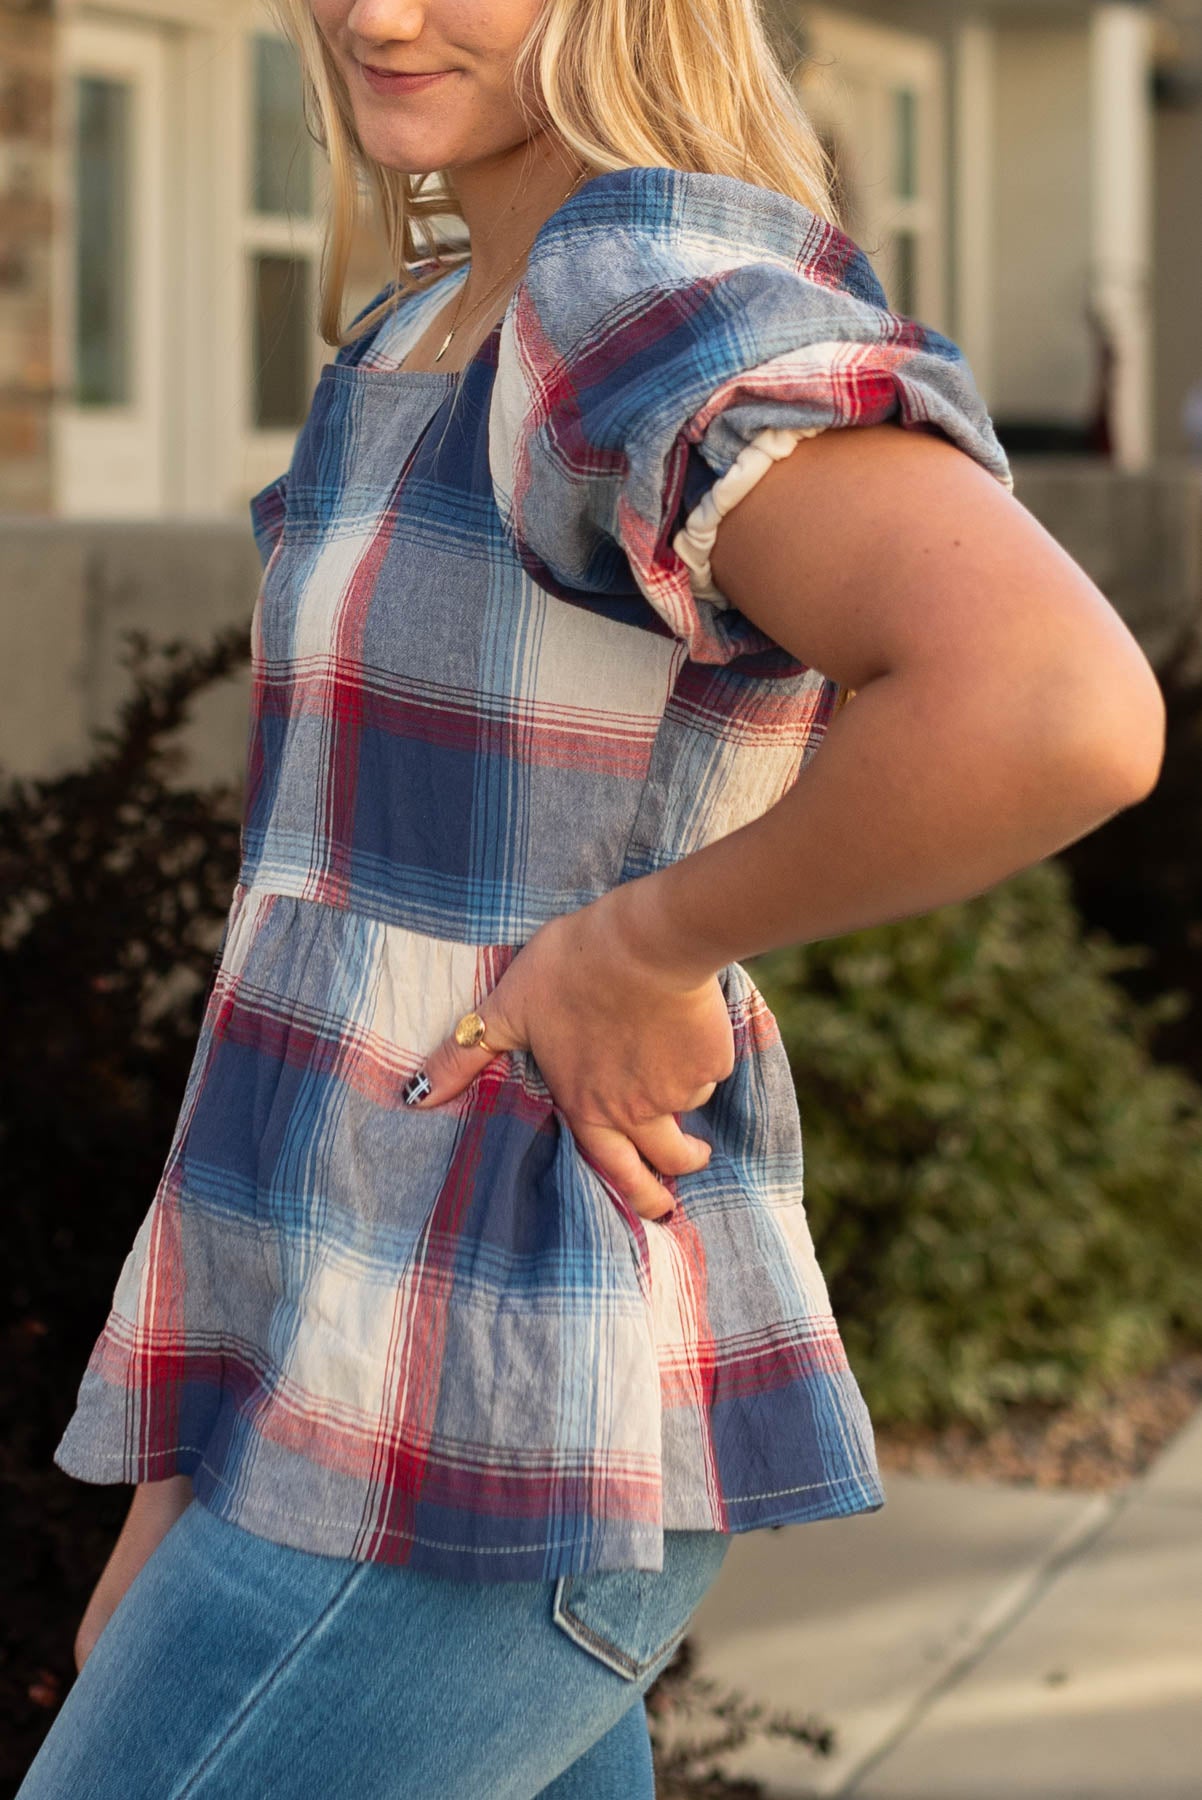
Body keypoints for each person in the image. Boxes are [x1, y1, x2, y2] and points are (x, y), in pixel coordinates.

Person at [21, 1, 1165, 1795]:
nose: (375, 12)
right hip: (343, 1384)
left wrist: (647, 939)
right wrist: (195, 1455)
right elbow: (313, 946)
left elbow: (1053, 711)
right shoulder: (418, 332)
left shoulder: (629, 289)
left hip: (501, 1424)